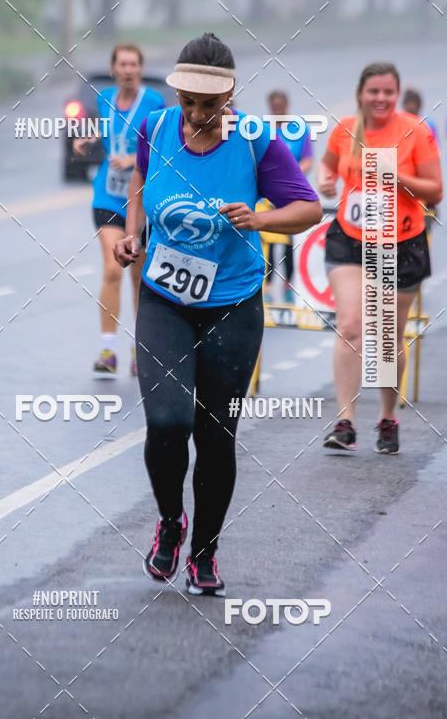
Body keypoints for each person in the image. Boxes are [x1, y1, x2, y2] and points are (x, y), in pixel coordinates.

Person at [113, 33, 321, 595]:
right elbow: (139, 180)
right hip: (164, 299)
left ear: (230, 95)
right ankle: (171, 522)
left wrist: (259, 220)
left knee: (215, 433)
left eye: (210, 104)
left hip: (232, 305)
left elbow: (309, 208)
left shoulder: (256, 141)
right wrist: (133, 235)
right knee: (167, 423)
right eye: (189, 102)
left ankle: (204, 553)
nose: (198, 114)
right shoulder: (156, 127)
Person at [318, 62, 442, 455]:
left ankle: (388, 417)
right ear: (361, 93)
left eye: (388, 92)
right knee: (351, 325)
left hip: (401, 243)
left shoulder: (415, 131)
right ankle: (345, 422)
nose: (381, 98)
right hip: (350, 239)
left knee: (387, 336)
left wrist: (398, 178)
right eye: (374, 91)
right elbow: (327, 165)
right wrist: (324, 179)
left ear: (397, 94)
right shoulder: (345, 129)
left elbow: (435, 191)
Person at [74, 44, 164, 377]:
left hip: (140, 201)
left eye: (133, 64)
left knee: (139, 277)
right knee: (113, 269)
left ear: (140, 68)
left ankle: (140, 349)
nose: (128, 70)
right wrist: (87, 139)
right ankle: (107, 350)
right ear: (114, 69)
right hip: (108, 197)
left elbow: (162, 145)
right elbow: (107, 130)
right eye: (122, 64)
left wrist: (133, 160)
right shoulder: (104, 99)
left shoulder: (154, 102)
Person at [265, 90, 314, 303]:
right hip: (268, 194)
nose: (278, 111)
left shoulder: (299, 129)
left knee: (289, 238)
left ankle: (288, 284)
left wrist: (291, 176)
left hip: (291, 193)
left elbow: (308, 160)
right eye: (274, 108)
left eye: (281, 107)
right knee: (267, 238)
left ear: (287, 106)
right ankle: (266, 285)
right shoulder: (263, 129)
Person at [401, 88, 439, 233]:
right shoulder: (397, 125)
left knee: (425, 216)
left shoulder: (428, 125)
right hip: (404, 177)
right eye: (408, 106)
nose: (411, 109)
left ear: (419, 106)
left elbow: (435, 154)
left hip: (422, 178)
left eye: (414, 106)